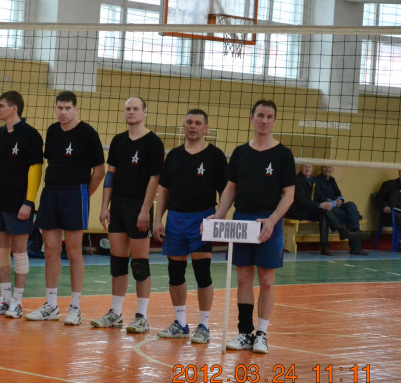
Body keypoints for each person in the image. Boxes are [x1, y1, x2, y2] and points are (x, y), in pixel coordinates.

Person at [209, 99, 295, 354]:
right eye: (260, 115)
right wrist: (219, 214)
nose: (264, 121)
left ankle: (262, 334)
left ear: (274, 121)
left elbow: (289, 194)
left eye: (269, 117)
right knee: (243, 278)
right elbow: (231, 188)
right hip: (242, 220)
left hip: (269, 222)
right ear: (251, 118)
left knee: (267, 281)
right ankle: (245, 332)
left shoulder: (283, 154)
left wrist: (272, 220)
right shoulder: (240, 153)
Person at [26, 91, 105, 325]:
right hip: (51, 193)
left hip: (75, 193)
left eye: (67, 108)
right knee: (50, 250)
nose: (63, 112)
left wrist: (83, 194)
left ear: (76, 109)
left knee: (73, 251)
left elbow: (99, 171)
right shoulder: (52, 130)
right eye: (59, 108)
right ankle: (51, 305)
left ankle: (75, 307)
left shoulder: (88, 133)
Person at [153, 108, 227, 343]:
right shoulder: (174, 155)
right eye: (189, 122)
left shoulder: (215, 156)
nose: (193, 126)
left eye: (197, 123)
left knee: (202, 272)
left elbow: (226, 191)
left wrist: (219, 216)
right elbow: (164, 190)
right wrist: (158, 219)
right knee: (175, 272)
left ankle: (204, 325)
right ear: (184, 126)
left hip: (202, 219)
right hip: (175, 219)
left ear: (206, 128)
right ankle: (180, 323)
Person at [92, 96, 164, 334]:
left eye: (135, 109)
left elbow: (155, 179)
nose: (131, 112)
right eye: (127, 109)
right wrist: (104, 206)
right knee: (118, 262)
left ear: (145, 112)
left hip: (139, 207)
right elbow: (110, 175)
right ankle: (115, 313)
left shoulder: (153, 142)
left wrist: (145, 210)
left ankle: (142, 317)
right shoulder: (118, 140)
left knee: (140, 264)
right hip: (118, 206)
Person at [0, 91, 43, 319]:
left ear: (14, 108)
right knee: (1, 251)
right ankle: (4, 299)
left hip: (19, 204)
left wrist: (29, 202)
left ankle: (17, 302)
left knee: (19, 252)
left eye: (1, 106)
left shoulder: (31, 136)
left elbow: (36, 170)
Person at [312, 165, 369, 255]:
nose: (327, 169)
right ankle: (354, 240)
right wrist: (334, 202)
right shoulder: (316, 180)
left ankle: (354, 234)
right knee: (329, 214)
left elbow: (338, 193)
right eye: (325, 167)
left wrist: (340, 200)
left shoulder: (332, 180)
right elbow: (318, 196)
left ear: (332, 169)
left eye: (329, 167)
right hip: (326, 207)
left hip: (336, 207)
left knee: (351, 205)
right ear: (321, 169)